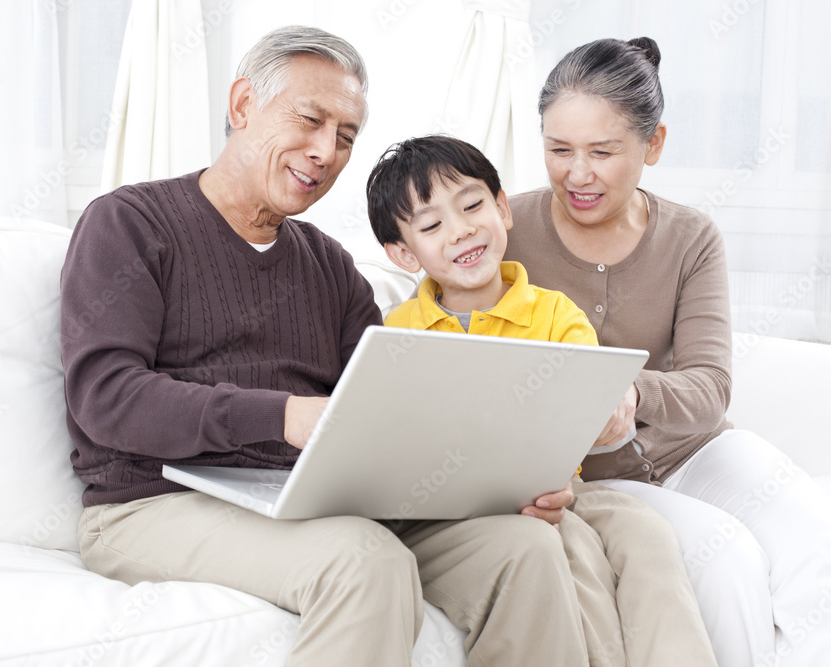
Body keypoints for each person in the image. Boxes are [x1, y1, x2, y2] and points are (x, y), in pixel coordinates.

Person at [61, 25, 611, 666]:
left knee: (528, 550)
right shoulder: (130, 223)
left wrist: (512, 479)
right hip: (154, 501)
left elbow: (398, 412)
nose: (326, 150)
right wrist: (283, 415)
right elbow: (105, 397)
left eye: (346, 136)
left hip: (307, 500)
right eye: (310, 119)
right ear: (242, 105)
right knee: (364, 561)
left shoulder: (329, 266)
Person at [504, 36, 831, 667]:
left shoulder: (690, 236)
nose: (577, 173)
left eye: (603, 152)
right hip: (598, 478)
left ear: (653, 144)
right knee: (727, 560)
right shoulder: (507, 231)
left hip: (698, 449)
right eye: (558, 150)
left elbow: (710, 388)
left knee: (816, 541)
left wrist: (630, 391)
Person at [366, 133, 718, 667]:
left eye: (472, 206)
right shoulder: (398, 332)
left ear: (503, 207)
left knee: (645, 532)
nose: (461, 231)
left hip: (561, 486)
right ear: (402, 253)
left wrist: (604, 418)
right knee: (571, 552)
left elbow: (587, 406)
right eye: (432, 225)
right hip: (454, 505)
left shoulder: (556, 315)